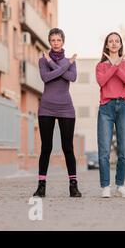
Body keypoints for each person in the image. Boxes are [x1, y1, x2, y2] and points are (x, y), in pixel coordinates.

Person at [33, 28, 82, 198]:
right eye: (52, 40)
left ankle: (73, 186)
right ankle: (41, 186)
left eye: (58, 40)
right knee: (46, 147)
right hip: (46, 107)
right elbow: (47, 78)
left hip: (66, 108)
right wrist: (63, 67)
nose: (55, 43)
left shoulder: (70, 61)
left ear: (63, 42)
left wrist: (63, 64)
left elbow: (72, 78)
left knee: (67, 147)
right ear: (49, 42)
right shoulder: (42, 61)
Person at [96, 32, 125, 198]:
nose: (113, 43)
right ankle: (105, 186)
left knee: (123, 149)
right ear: (106, 45)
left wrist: (116, 65)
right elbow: (102, 82)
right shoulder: (100, 66)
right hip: (106, 107)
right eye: (110, 41)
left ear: (120, 45)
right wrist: (112, 65)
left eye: (116, 41)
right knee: (104, 150)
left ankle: (120, 185)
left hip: (124, 107)